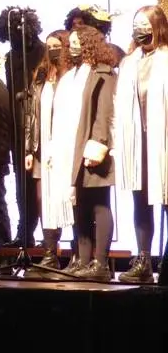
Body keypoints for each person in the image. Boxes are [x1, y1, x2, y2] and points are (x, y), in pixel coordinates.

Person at [48, 26, 117, 281]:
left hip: (93, 148)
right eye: (71, 43)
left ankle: (100, 263)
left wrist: (98, 143)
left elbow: (105, 112)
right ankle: (83, 260)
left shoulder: (103, 72)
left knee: (99, 204)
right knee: (80, 207)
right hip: (72, 150)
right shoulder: (70, 76)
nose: (73, 46)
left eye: (78, 42)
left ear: (89, 44)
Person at [115, 6, 168, 283]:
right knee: (141, 200)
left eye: (144, 24)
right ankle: (144, 260)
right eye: (136, 24)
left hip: (165, 140)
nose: (139, 29)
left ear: (157, 26)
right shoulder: (129, 61)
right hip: (139, 142)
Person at [23, 30, 71, 273]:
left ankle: (81, 255)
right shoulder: (41, 75)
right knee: (44, 200)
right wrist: (29, 148)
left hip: (66, 147)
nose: (52, 50)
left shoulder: (72, 75)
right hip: (43, 147)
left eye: (57, 45)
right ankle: (50, 253)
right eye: (49, 46)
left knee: (70, 199)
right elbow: (31, 114)